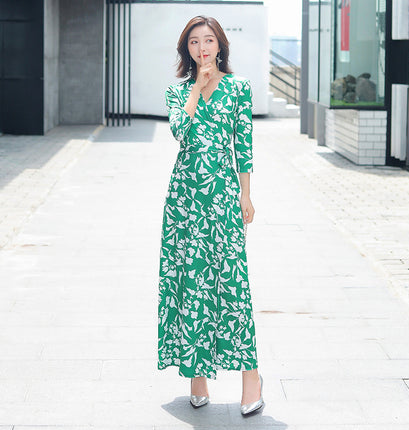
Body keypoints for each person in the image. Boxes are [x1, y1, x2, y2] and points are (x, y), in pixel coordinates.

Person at [157, 15, 264, 416]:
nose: (203, 48)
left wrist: (246, 195)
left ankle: (251, 377)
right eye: (195, 42)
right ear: (187, 49)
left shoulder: (238, 89)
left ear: (220, 45)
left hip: (222, 197)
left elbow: (244, 147)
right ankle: (196, 374)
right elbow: (180, 134)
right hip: (184, 201)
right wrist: (196, 91)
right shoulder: (176, 92)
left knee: (232, 282)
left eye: (209, 41)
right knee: (190, 281)